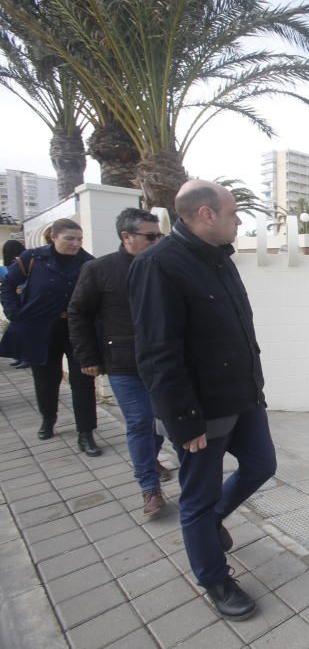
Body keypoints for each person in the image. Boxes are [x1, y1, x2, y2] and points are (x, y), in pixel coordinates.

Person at [129, 180, 275, 621]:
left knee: (261, 464)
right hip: (201, 409)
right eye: (233, 212)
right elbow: (157, 351)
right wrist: (183, 420)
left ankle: (214, 522)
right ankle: (214, 577)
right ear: (206, 215)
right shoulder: (159, 265)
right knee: (196, 497)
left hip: (243, 396)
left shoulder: (220, 260)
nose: (239, 220)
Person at [68, 208, 172, 515]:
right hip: (123, 362)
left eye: (159, 236)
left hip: (163, 362)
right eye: (150, 236)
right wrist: (87, 357)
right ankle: (149, 488)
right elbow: (78, 313)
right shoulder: (99, 269)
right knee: (140, 421)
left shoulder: (165, 267)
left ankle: (149, 460)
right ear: (126, 237)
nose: (157, 242)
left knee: (160, 421)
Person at [0, 220, 100, 455]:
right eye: (69, 239)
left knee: (83, 381)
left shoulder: (89, 263)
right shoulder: (33, 258)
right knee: (45, 379)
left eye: (79, 239)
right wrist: (13, 312)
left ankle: (85, 433)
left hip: (77, 330)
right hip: (41, 329)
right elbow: (7, 283)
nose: (75, 243)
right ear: (53, 236)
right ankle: (48, 418)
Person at [1, 239, 28, 368]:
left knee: (20, 330)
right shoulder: (24, 261)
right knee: (21, 330)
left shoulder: (9, 267)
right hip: (22, 298)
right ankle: (22, 357)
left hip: (16, 301)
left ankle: (23, 357)